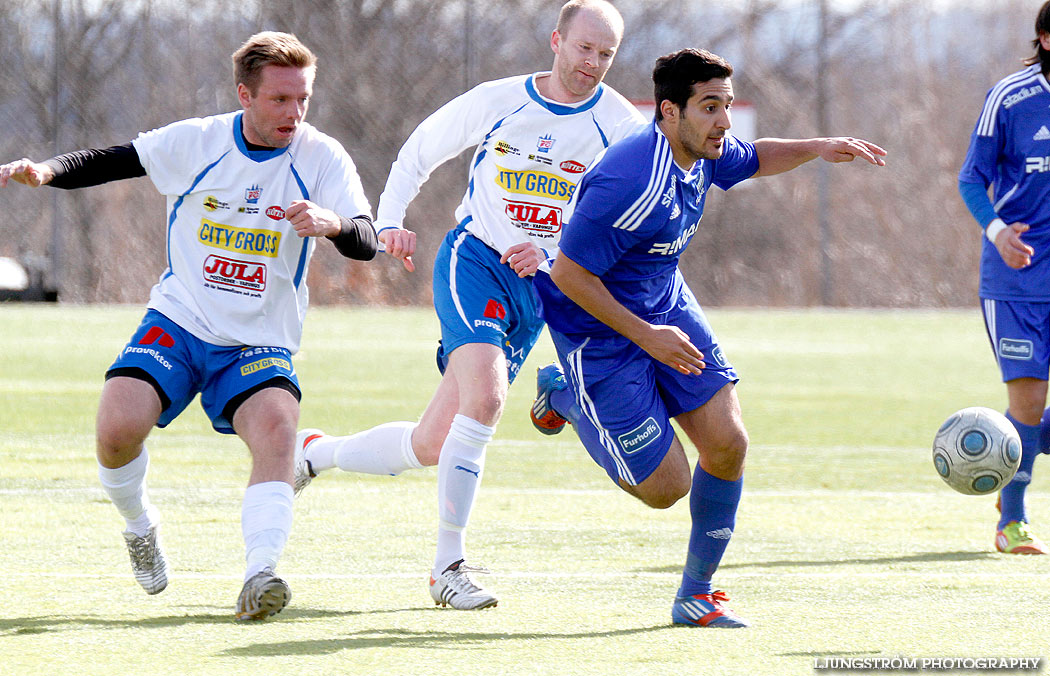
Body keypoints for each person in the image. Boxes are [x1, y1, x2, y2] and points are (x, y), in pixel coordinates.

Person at [0, 31, 379, 620]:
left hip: (257, 339)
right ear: (244, 95)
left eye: (302, 98)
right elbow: (110, 160)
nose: (294, 113)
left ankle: (260, 575)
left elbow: (366, 242)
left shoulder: (321, 156)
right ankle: (140, 526)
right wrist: (46, 171)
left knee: (279, 429)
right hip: (181, 320)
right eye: (279, 99)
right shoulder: (198, 141)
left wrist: (331, 224)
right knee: (117, 425)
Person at [293, 0, 646, 610]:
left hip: (540, 289)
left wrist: (564, 256)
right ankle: (447, 568)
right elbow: (421, 148)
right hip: (475, 260)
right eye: (584, 48)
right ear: (556, 40)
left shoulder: (620, 125)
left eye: (606, 54)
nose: (593, 63)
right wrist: (390, 221)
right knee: (486, 397)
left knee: (434, 444)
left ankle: (316, 452)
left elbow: (625, 214)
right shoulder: (499, 99)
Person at [528, 48, 886, 627]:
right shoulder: (628, 178)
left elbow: (757, 157)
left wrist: (819, 148)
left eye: (724, 105)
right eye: (709, 107)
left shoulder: (702, 152)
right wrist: (647, 337)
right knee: (665, 487)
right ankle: (565, 396)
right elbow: (569, 275)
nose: (724, 121)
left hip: (666, 301)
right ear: (669, 111)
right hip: (598, 329)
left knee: (728, 443)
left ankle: (697, 593)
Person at [958, 1, 1050, 556]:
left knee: (1030, 425)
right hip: (1016, 282)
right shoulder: (1011, 99)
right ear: (1046, 38)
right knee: (1027, 405)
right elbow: (972, 177)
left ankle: (1014, 450)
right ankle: (1011, 522)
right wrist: (996, 231)